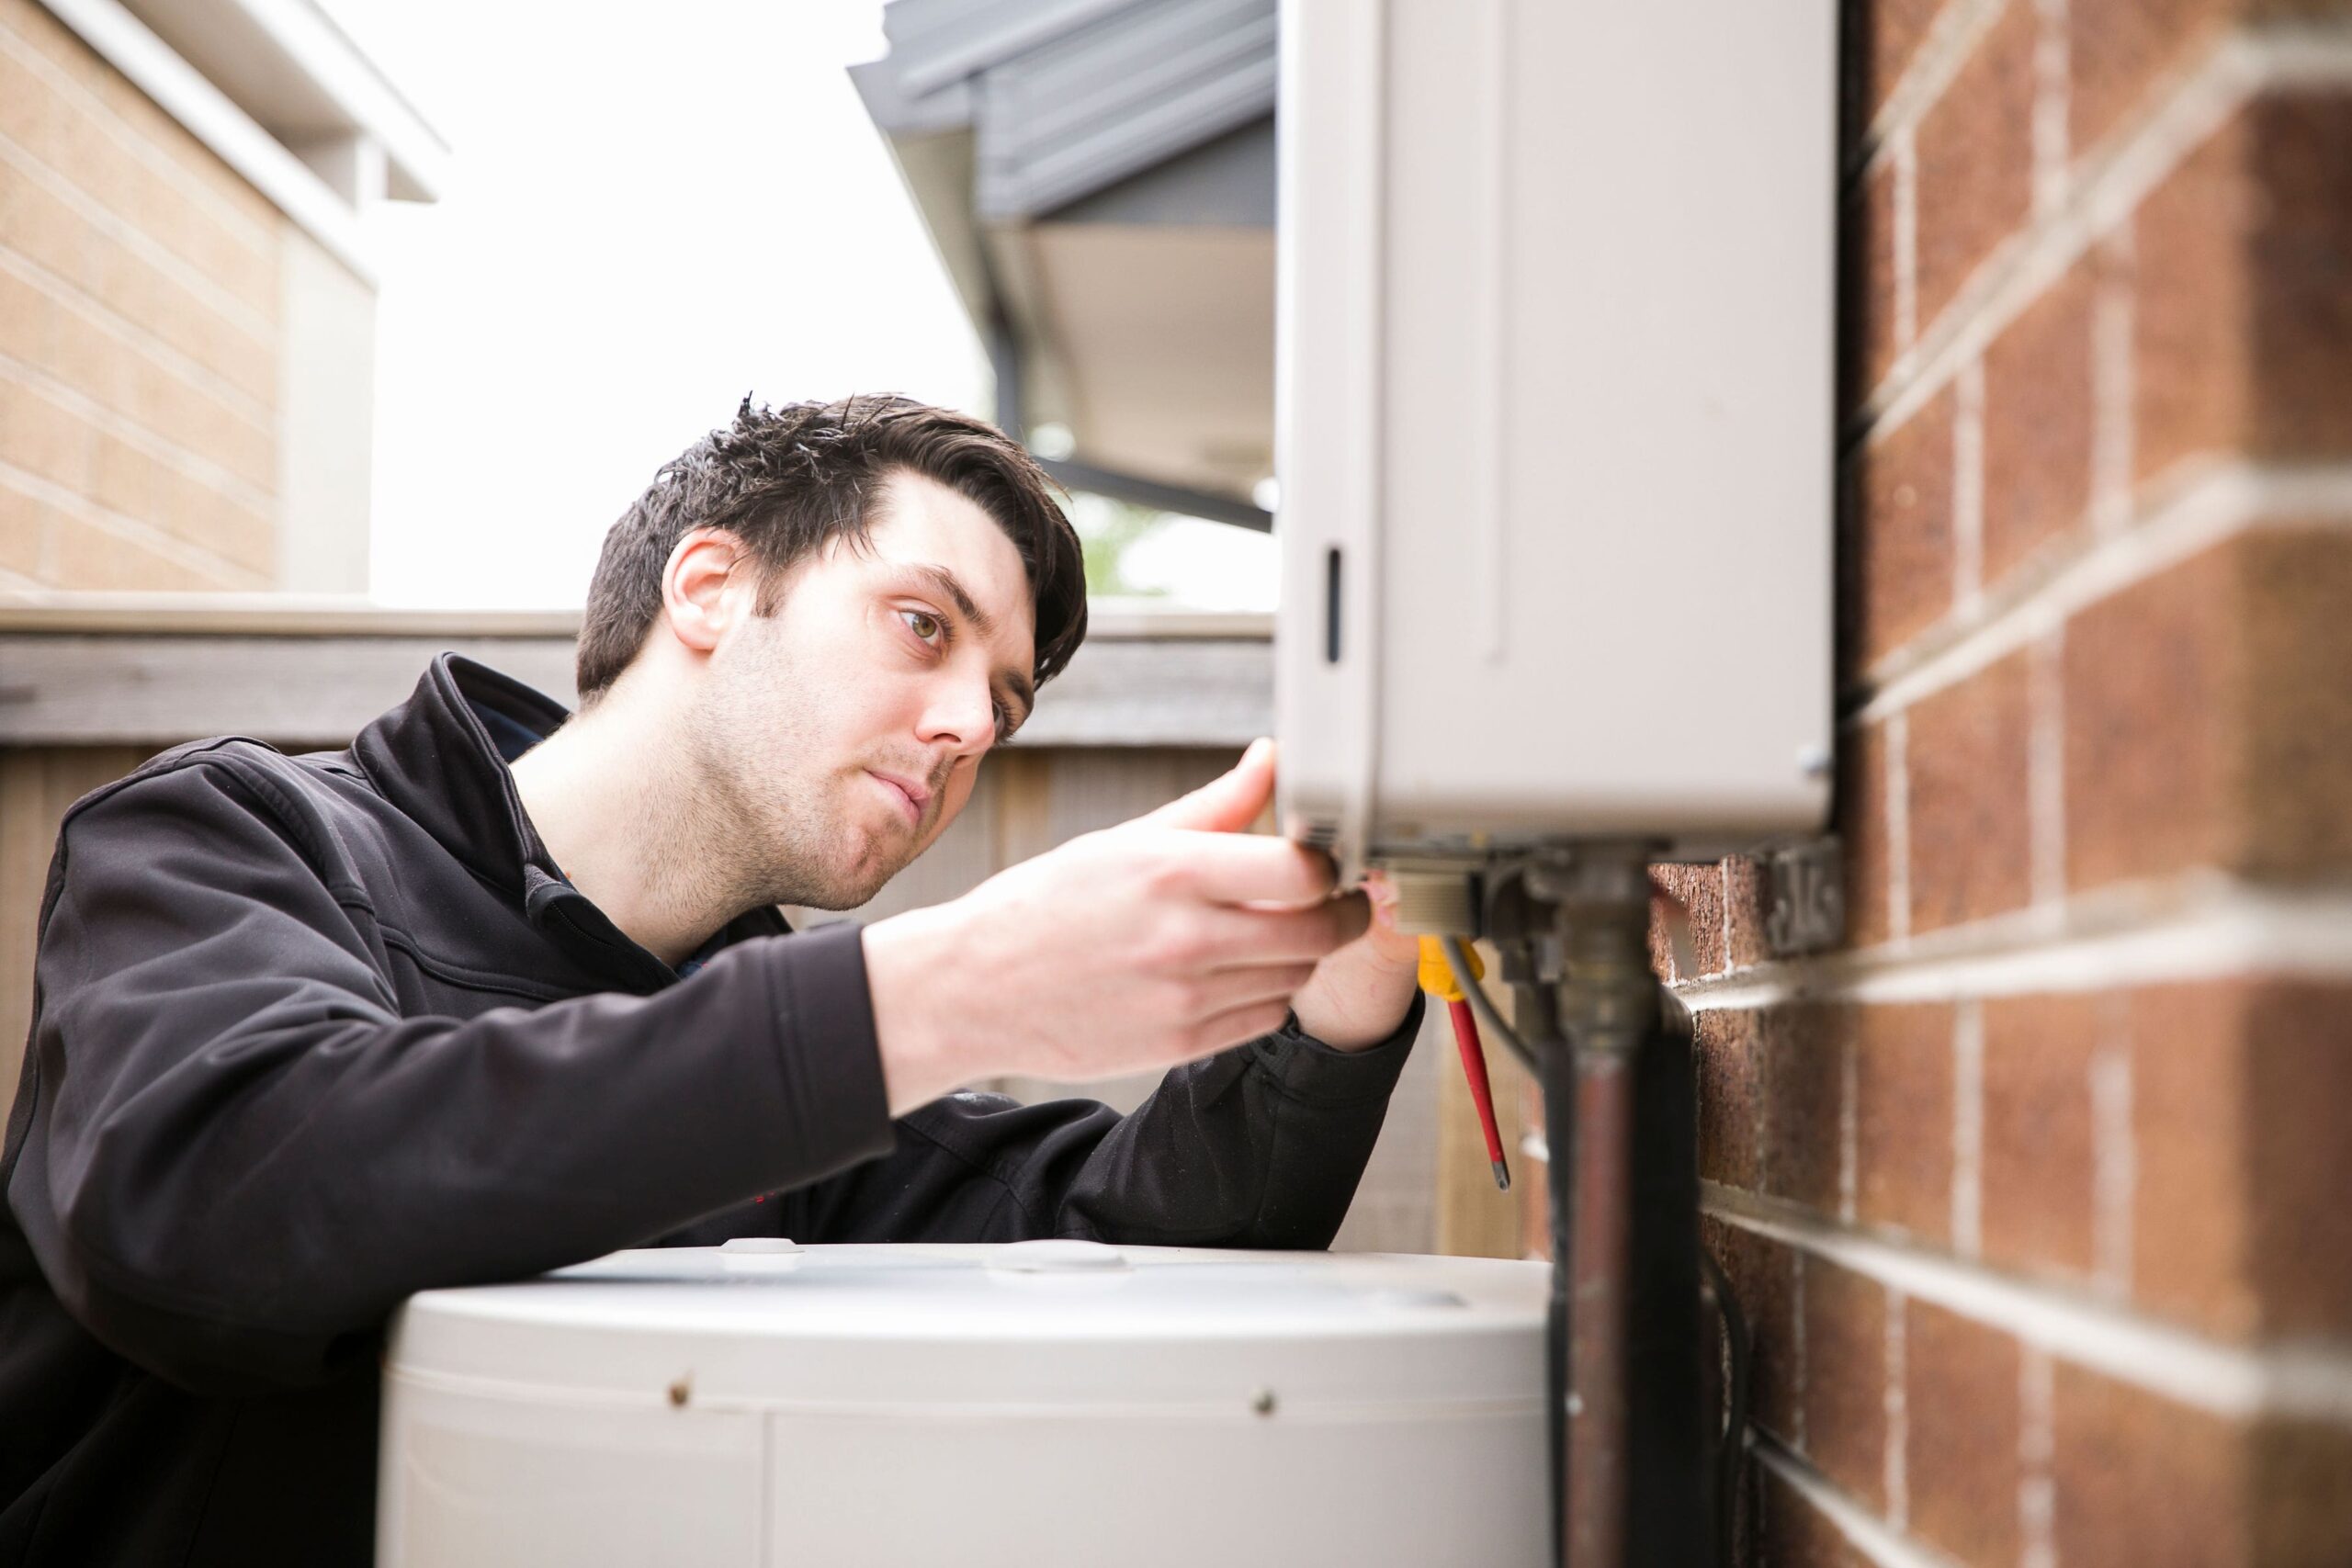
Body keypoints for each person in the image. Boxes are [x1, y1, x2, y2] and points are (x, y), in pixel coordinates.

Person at [0, 395, 1425, 1566]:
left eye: (1001, 701)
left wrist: (1344, 982)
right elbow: (215, 1201)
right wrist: (943, 987)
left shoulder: (784, 1057)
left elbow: (1121, 1233)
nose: (962, 727)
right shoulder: (232, 838)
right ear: (710, 584)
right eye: (925, 625)